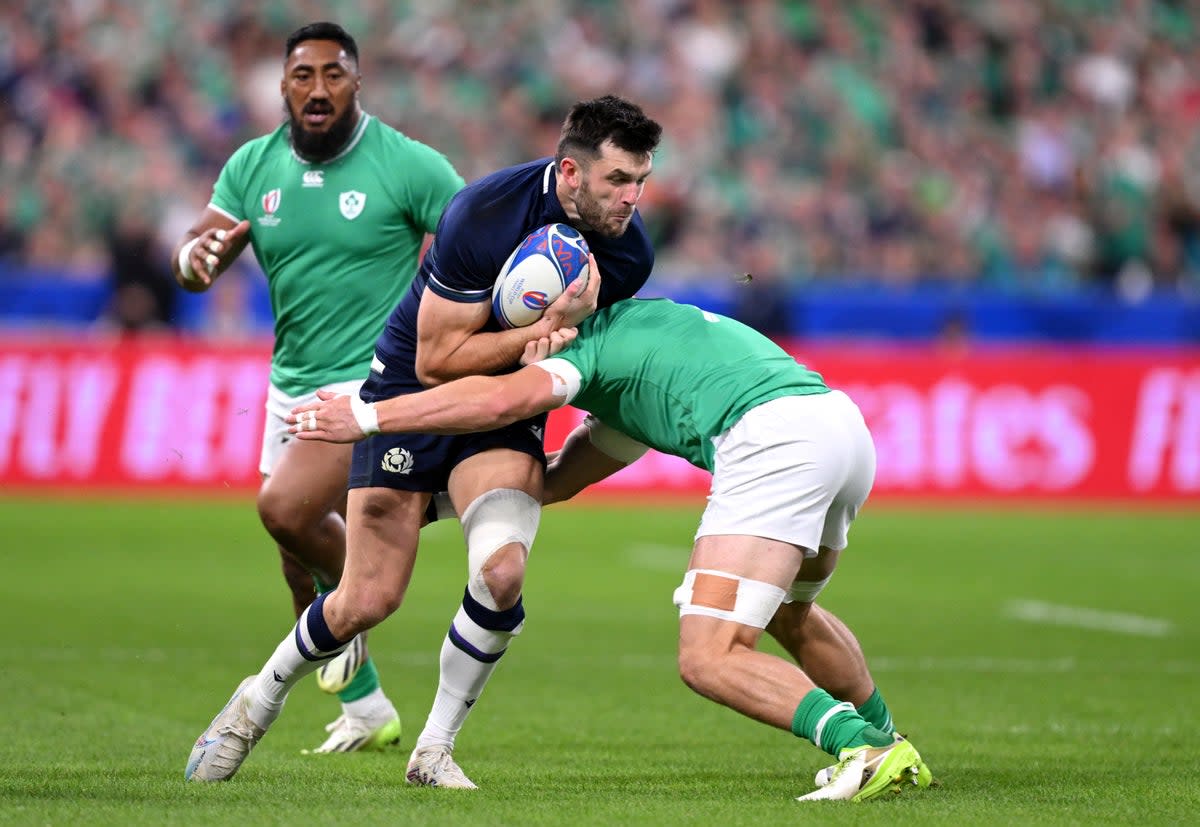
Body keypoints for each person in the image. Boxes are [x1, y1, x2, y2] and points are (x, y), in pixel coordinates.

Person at [184, 94, 663, 785]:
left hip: (501, 407)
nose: (632, 198)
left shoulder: (629, 253)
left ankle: (434, 748)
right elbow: (439, 358)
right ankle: (256, 700)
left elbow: (559, 356)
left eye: (641, 181)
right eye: (618, 180)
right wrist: (540, 331)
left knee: (501, 573)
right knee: (364, 600)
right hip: (412, 388)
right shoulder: (484, 213)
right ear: (569, 173)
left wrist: (557, 351)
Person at [282, 297, 934, 801]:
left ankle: (861, 749)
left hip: (774, 441)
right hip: (839, 427)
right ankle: (887, 736)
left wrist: (368, 416)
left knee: (709, 657)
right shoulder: (639, 347)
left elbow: (502, 399)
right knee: (789, 613)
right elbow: (556, 479)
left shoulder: (584, 348)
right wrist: (430, 506)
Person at [171, 21, 465, 754]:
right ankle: (366, 706)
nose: (318, 88)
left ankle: (366, 584)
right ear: (282, 86)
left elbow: (473, 233)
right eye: (303, 75)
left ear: (356, 84)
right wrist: (194, 261)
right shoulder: (252, 166)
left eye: (334, 74)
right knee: (293, 553)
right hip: (289, 381)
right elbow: (195, 254)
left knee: (284, 507)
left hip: (370, 380)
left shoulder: (405, 164)